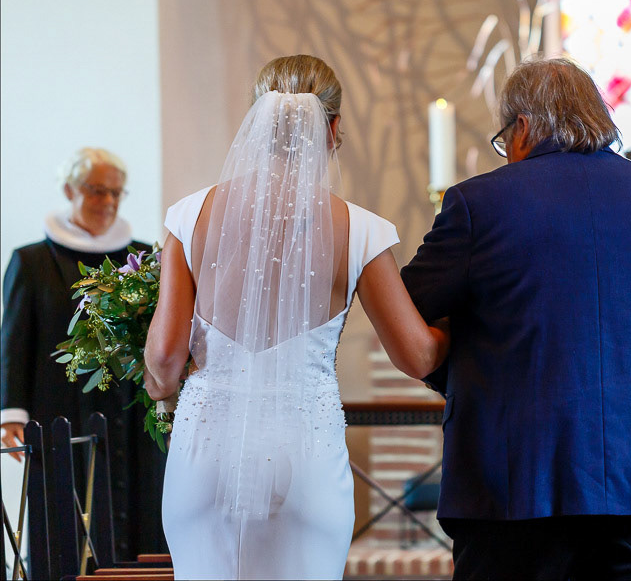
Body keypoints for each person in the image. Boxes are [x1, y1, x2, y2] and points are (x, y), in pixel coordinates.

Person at [401, 57, 631, 580]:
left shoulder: (477, 203)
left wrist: (467, 375)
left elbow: (404, 314)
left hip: (510, 495)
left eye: (505, 140)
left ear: (523, 127)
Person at [144, 55, 449, 579]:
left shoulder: (189, 216)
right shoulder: (362, 230)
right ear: (333, 128)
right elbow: (417, 357)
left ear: (255, 121)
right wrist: (458, 325)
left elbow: (166, 359)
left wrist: (160, 386)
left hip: (204, 457)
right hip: (304, 457)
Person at [1, 147, 168, 558]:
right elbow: (14, 341)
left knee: (142, 509)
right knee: (64, 517)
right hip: (60, 407)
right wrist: (12, 413)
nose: (108, 201)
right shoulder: (32, 261)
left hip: (131, 407)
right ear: (69, 190)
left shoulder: (144, 258)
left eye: (116, 192)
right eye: (96, 190)